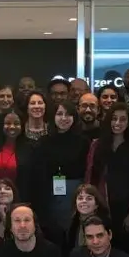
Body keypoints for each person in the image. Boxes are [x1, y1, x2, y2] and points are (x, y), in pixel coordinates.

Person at [85, 104, 129, 257]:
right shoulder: (98, 145)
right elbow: (92, 178)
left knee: (127, 252)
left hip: (127, 209)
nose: (118, 123)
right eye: (114, 119)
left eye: (123, 119)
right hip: (103, 207)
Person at [38, 100, 89, 242]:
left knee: (73, 234)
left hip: (75, 193)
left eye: (68, 114)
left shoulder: (83, 141)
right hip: (50, 194)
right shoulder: (44, 142)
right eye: (59, 114)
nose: (64, 118)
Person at [0, 111, 37, 203]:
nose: (12, 126)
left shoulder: (31, 148)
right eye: (8, 123)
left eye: (16, 123)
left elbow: (33, 180)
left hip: (20, 201)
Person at [64, 184, 112, 257]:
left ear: (96, 204)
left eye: (89, 198)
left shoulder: (105, 223)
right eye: (80, 198)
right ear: (75, 203)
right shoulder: (71, 224)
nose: (84, 201)